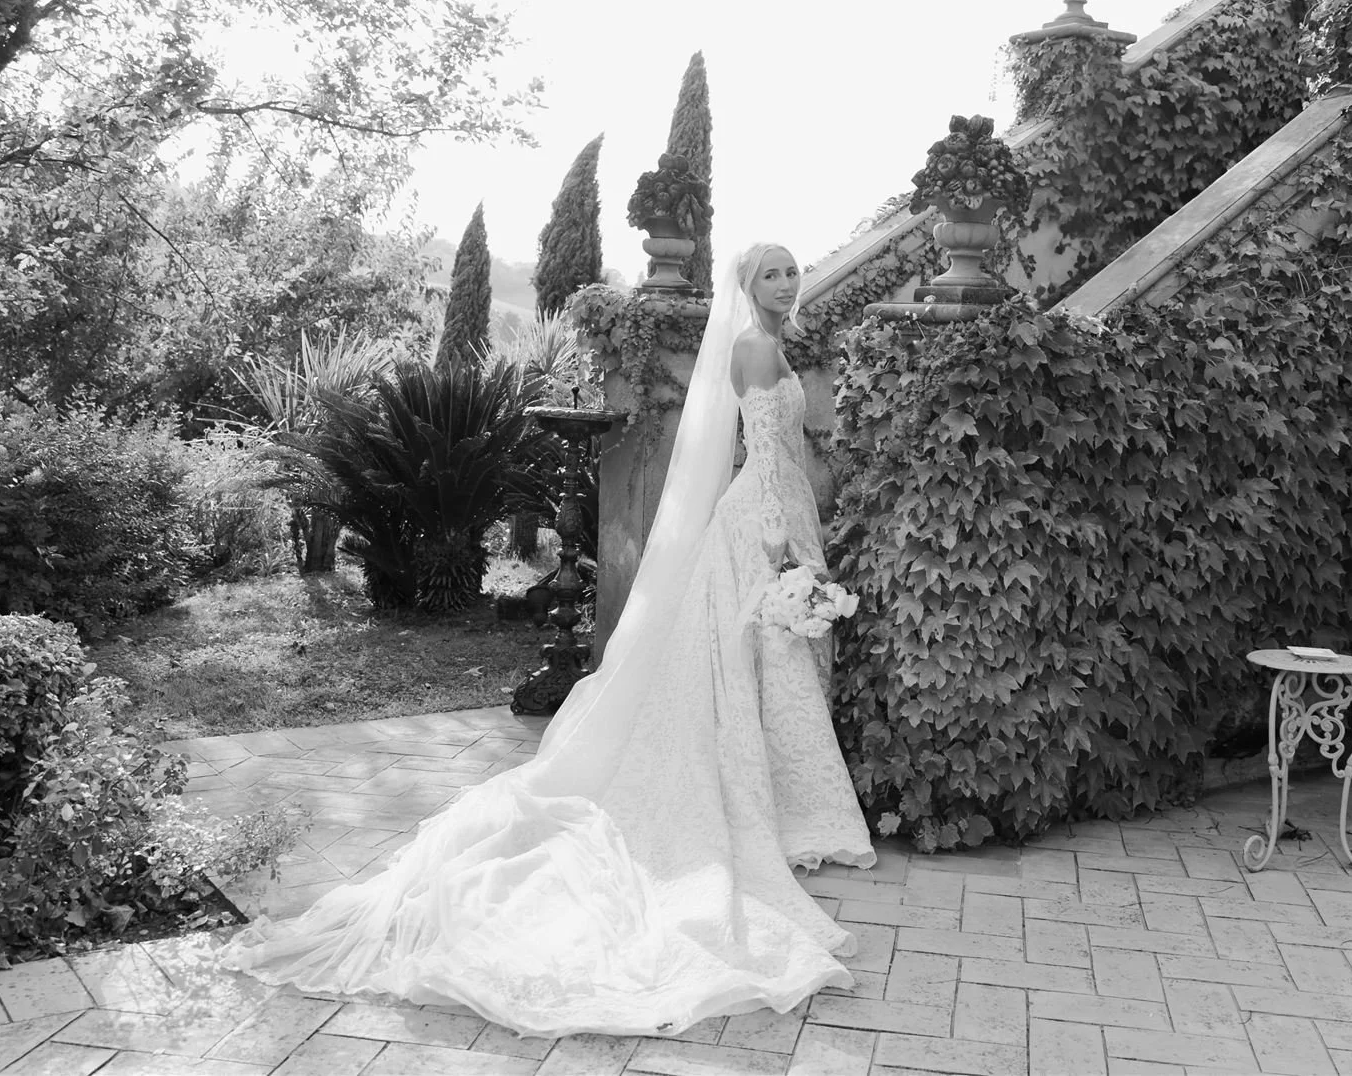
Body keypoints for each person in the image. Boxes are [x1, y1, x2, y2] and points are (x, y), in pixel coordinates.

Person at [223, 241, 875, 1037]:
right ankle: (754, 799)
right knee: (737, 661)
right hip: (758, 518)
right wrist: (785, 538)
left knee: (753, 660)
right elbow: (764, 457)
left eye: (792, 271)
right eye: (773, 272)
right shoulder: (752, 346)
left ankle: (778, 795)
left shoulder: (774, 344)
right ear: (749, 286)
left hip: (773, 513)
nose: (788, 281)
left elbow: (784, 452)